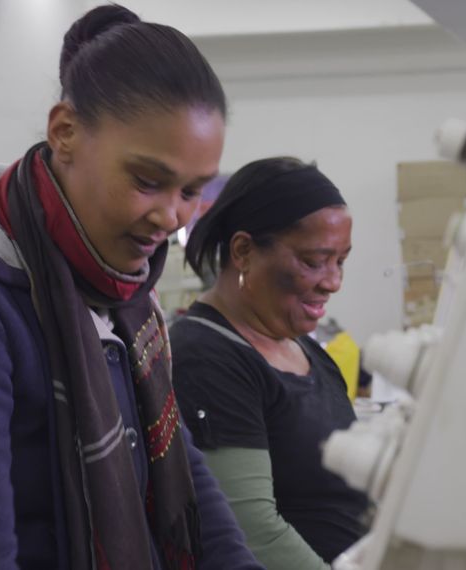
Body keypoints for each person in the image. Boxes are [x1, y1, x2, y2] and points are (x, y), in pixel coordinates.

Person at [0, 6, 264, 570]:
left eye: (191, 190)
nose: (171, 216)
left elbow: (182, 469)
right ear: (64, 132)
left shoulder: (126, 290)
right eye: (147, 181)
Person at [171, 157, 369, 569]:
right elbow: (253, 533)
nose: (333, 281)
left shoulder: (305, 350)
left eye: (341, 261)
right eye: (314, 261)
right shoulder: (206, 358)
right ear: (243, 250)